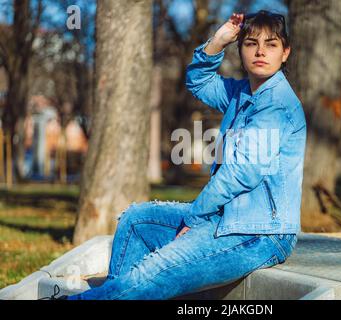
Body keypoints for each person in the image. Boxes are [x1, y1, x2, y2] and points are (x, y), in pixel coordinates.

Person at [62, 9, 307, 300]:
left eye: (271, 44)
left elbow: (241, 173)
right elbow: (198, 81)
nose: (260, 51)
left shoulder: (276, 104)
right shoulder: (242, 93)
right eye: (251, 43)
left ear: (285, 52)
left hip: (260, 234)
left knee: (157, 269)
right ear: (240, 49)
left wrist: (195, 215)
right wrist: (219, 40)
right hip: (227, 220)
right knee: (136, 221)